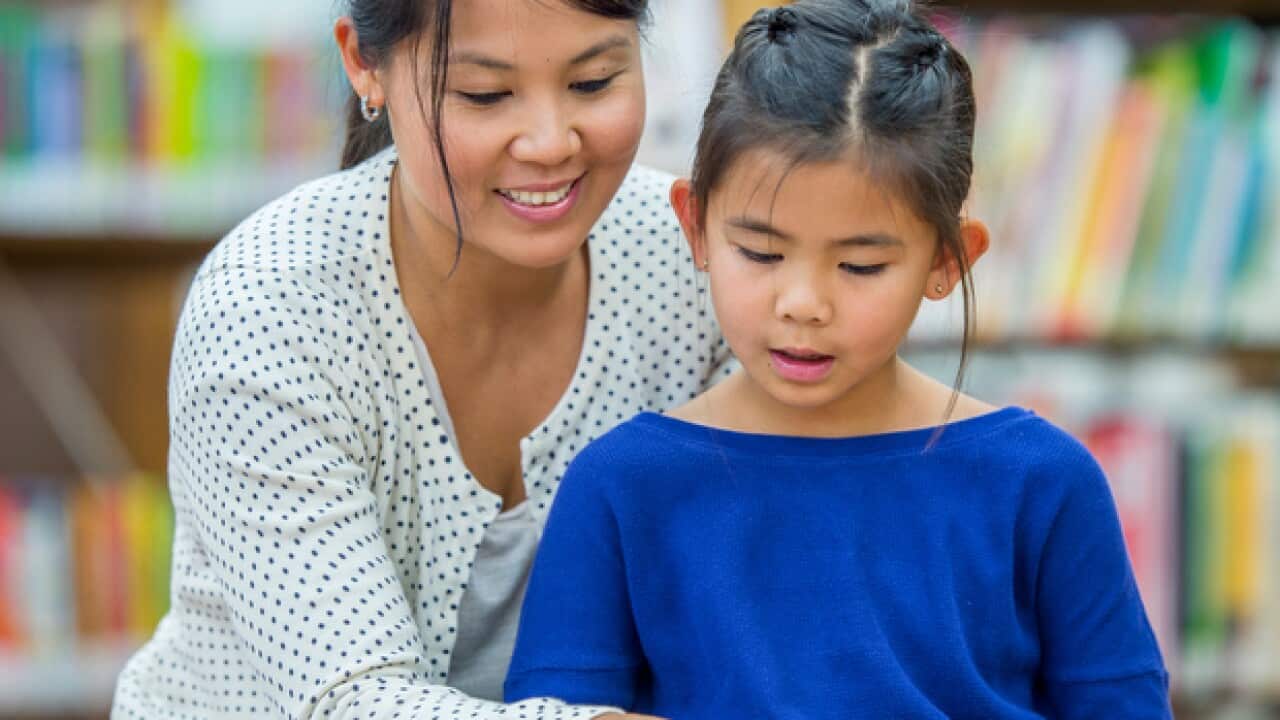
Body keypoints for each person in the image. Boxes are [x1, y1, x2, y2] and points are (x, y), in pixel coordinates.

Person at [504, 1, 1173, 718]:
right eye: (760, 253)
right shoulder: (620, 486)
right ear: (695, 227)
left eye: (859, 266)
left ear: (948, 261)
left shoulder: (1044, 483)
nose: (803, 302)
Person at [112, 0, 729, 717]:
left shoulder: (704, 260)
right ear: (362, 64)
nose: (550, 141)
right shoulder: (270, 308)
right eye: (485, 94)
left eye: (592, 82)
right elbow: (350, 701)